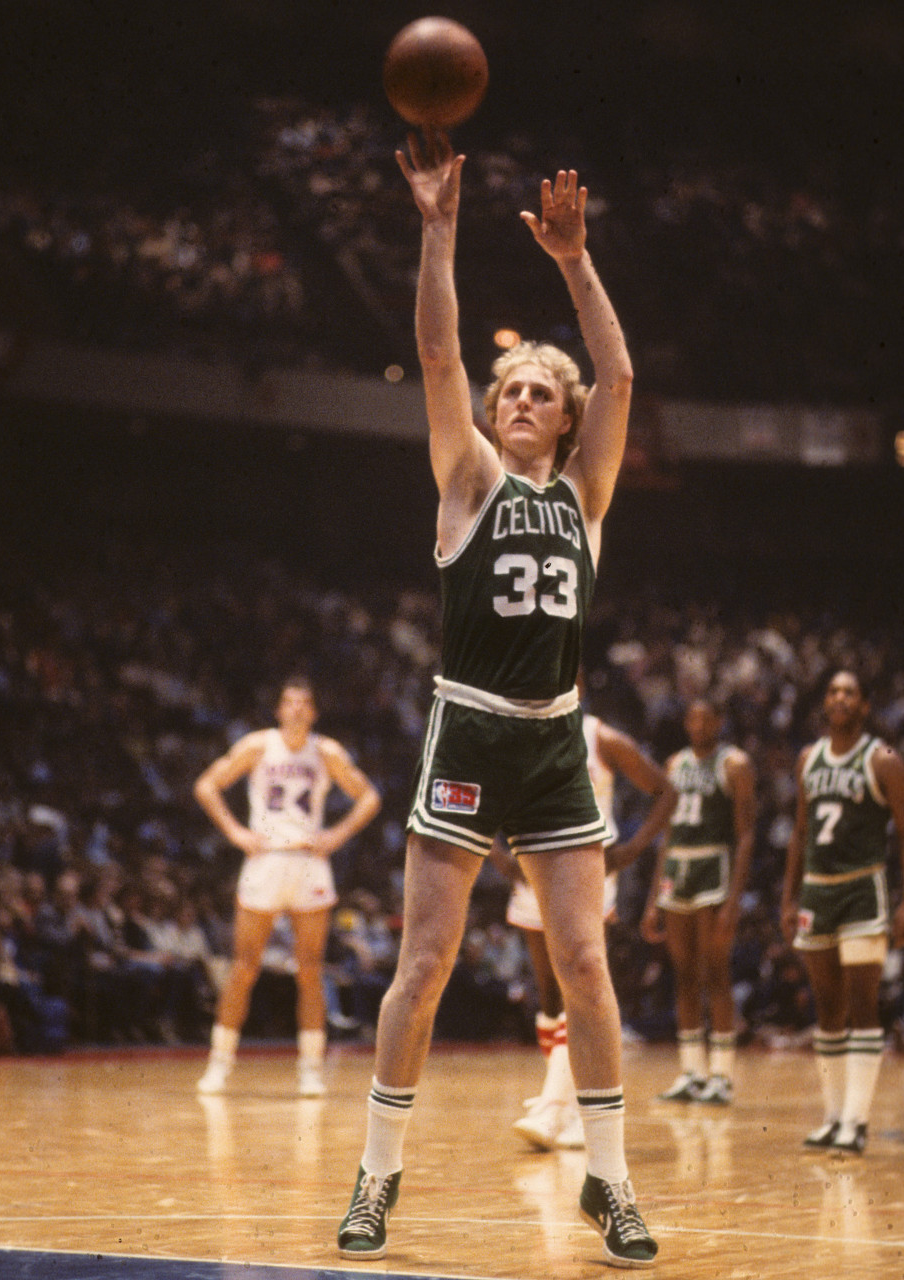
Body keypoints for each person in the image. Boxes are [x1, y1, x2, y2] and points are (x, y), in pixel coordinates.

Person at [336, 130, 657, 1269]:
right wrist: (437, 227)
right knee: (424, 963)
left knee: (586, 963)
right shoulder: (468, 480)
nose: (519, 398)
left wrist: (574, 261)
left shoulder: (586, 494)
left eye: (538, 392)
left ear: (564, 419)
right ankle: (376, 1173)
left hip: (555, 742)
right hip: (468, 727)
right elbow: (436, 353)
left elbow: (620, 375)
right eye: (510, 388)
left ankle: (610, 1181)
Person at [494, 706, 677, 1151]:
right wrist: (496, 853)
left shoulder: (601, 737)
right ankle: (564, 1102)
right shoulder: (517, 732)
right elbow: (489, 797)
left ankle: (559, 1106)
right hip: (532, 867)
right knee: (549, 995)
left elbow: (667, 791)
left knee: (579, 983)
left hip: (587, 868)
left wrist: (631, 849)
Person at [194, 677, 381, 1097]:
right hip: (265, 859)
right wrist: (235, 832)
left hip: (308, 860)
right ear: (279, 710)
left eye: (303, 703)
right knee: (243, 967)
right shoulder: (258, 745)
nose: (296, 708)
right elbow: (206, 785)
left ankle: (311, 1068)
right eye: (289, 702)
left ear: (313, 712)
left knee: (311, 970)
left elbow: (369, 797)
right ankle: (219, 1064)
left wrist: (337, 835)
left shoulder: (326, 751)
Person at [779, 669, 904, 1154]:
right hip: (817, 892)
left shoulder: (883, 759)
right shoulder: (808, 759)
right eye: (833, 691)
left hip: (862, 890)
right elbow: (799, 832)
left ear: (865, 705)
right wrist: (788, 897)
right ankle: (833, 1117)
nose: (840, 698)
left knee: (862, 1004)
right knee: (827, 1006)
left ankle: (857, 1120)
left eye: (850, 692)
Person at [641, 698, 756, 1105]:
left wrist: (734, 899)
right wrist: (653, 899)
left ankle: (721, 1075)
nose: (699, 724)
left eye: (707, 718)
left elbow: (746, 834)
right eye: (692, 717)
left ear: (720, 722)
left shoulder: (735, 764)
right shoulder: (675, 764)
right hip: (677, 869)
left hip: (713, 867)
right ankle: (692, 1072)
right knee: (684, 974)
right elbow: (666, 835)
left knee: (716, 972)